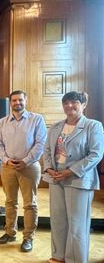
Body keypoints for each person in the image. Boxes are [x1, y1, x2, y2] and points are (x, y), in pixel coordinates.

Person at [43, 91, 104, 263]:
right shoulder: (55, 127)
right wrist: (48, 169)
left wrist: (70, 171)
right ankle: (59, 256)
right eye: (66, 103)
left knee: (77, 224)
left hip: (78, 179)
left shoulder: (93, 126)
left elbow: (96, 154)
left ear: (84, 104)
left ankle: (75, 259)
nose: (69, 106)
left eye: (74, 102)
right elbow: (47, 151)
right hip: (55, 178)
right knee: (58, 220)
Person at [0, 90, 47, 252]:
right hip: (8, 167)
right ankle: (10, 232)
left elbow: (40, 143)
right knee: (10, 202)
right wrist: (6, 160)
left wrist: (25, 161)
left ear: (26, 100)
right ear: (10, 103)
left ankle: (28, 238)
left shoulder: (36, 119)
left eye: (20, 100)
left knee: (30, 203)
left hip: (29, 168)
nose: (17, 103)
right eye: (14, 100)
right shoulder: (2, 122)